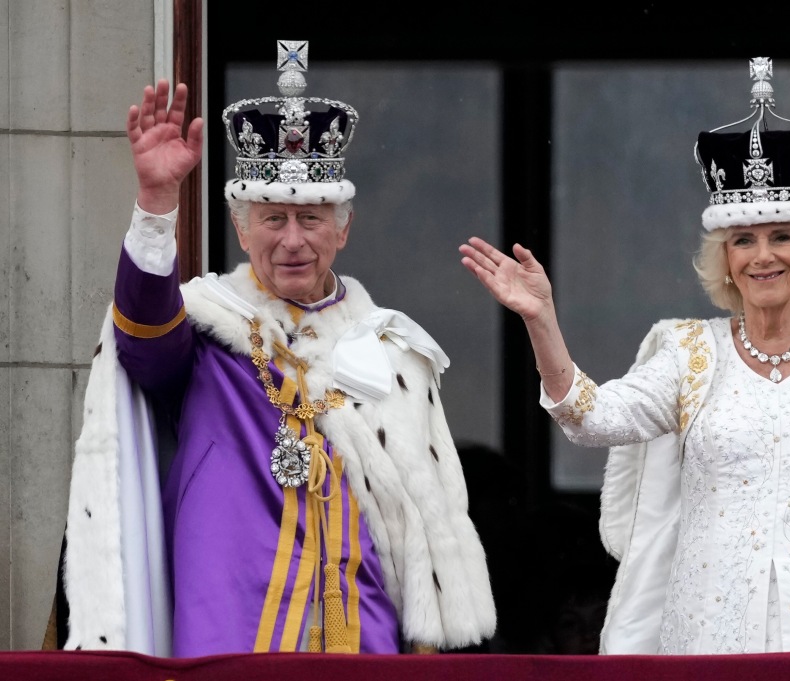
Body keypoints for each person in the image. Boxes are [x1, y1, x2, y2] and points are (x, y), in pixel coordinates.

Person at [459, 57, 790, 655]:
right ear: (725, 259)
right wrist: (541, 320)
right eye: (744, 240)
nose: (764, 256)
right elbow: (591, 417)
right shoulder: (689, 353)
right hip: (710, 634)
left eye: (782, 235)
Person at [53, 41, 495, 657]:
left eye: (311, 219)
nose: (292, 240)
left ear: (344, 229)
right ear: (240, 227)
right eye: (272, 218)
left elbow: (423, 522)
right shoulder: (208, 331)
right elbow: (144, 334)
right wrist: (155, 206)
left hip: (359, 630)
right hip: (230, 629)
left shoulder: (395, 351)